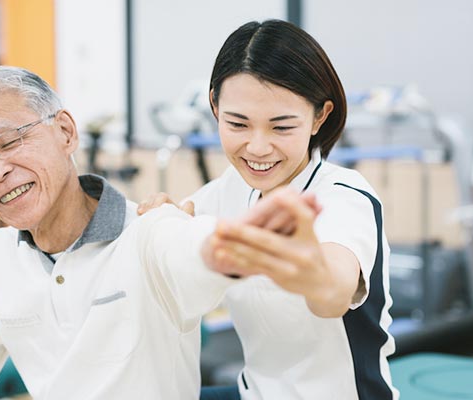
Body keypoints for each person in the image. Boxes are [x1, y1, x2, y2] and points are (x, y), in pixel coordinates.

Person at [0, 65, 305, 400]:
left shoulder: (149, 232)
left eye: (9, 141)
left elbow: (194, 252)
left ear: (66, 133)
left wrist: (237, 246)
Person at [138, 20, 398, 399]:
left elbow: (334, 293)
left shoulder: (345, 197)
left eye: (281, 127)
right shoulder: (228, 190)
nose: (257, 148)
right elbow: (184, 231)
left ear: (319, 116)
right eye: (238, 124)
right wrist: (161, 224)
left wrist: (310, 271)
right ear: (215, 106)